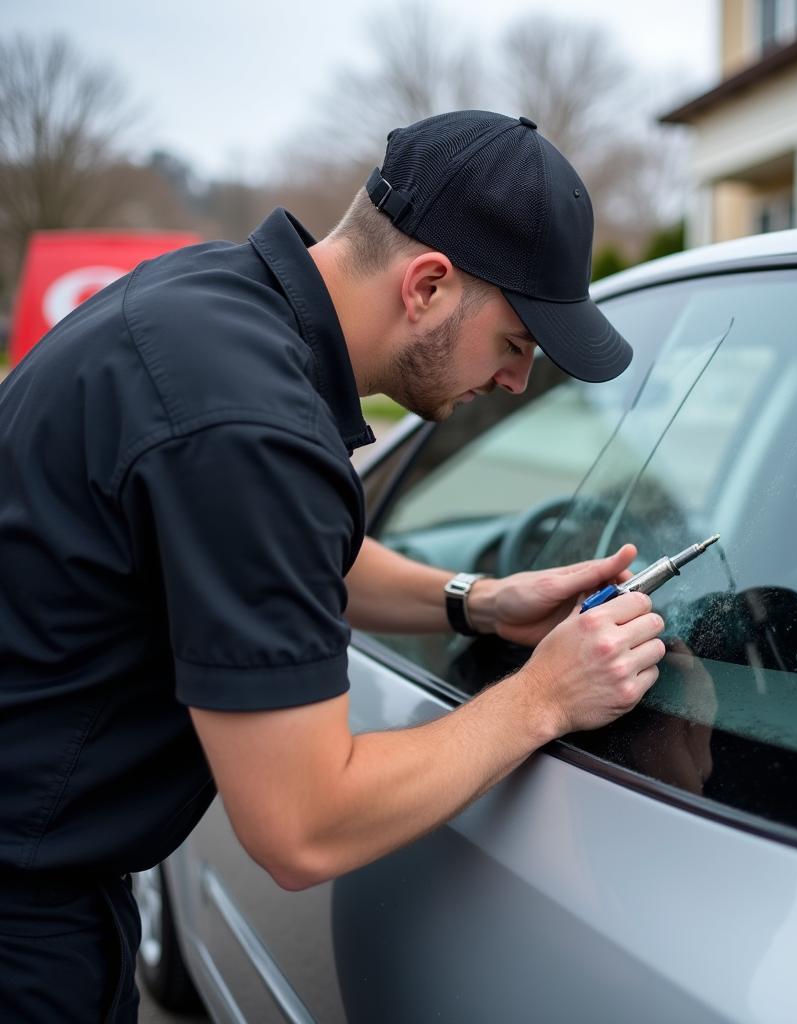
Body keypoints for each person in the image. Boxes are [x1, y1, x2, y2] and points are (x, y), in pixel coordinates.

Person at [0, 110, 666, 1021]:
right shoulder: (252, 429)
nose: (517, 382)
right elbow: (301, 827)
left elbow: (277, 558)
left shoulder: (213, 301)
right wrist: (544, 697)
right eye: (517, 343)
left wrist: (480, 602)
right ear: (428, 285)